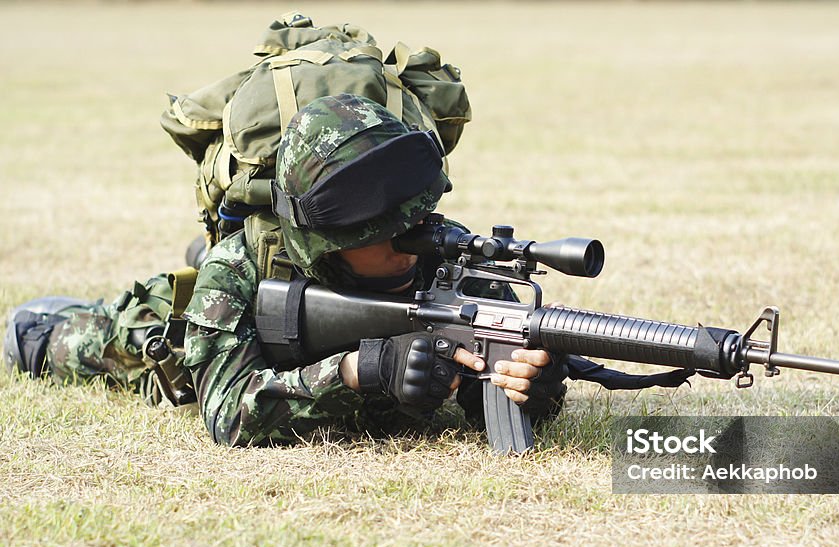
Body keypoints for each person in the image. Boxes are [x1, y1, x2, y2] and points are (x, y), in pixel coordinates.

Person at [4, 94, 566, 446]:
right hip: (174, 335)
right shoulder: (242, 265)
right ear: (325, 246)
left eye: (416, 222)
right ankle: (35, 332)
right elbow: (227, 414)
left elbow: (492, 393)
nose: (410, 245)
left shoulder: (447, 252)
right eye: (382, 234)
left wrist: (530, 384)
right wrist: (359, 371)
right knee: (77, 338)